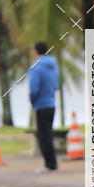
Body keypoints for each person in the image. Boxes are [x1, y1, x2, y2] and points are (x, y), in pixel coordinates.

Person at [29, 42, 59, 174]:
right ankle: (51, 163)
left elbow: (34, 88)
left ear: (36, 51)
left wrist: (33, 100)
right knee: (48, 134)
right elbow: (57, 83)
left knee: (43, 136)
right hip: (52, 103)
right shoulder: (53, 65)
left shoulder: (36, 66)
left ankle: (50, 164)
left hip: (41, 105)